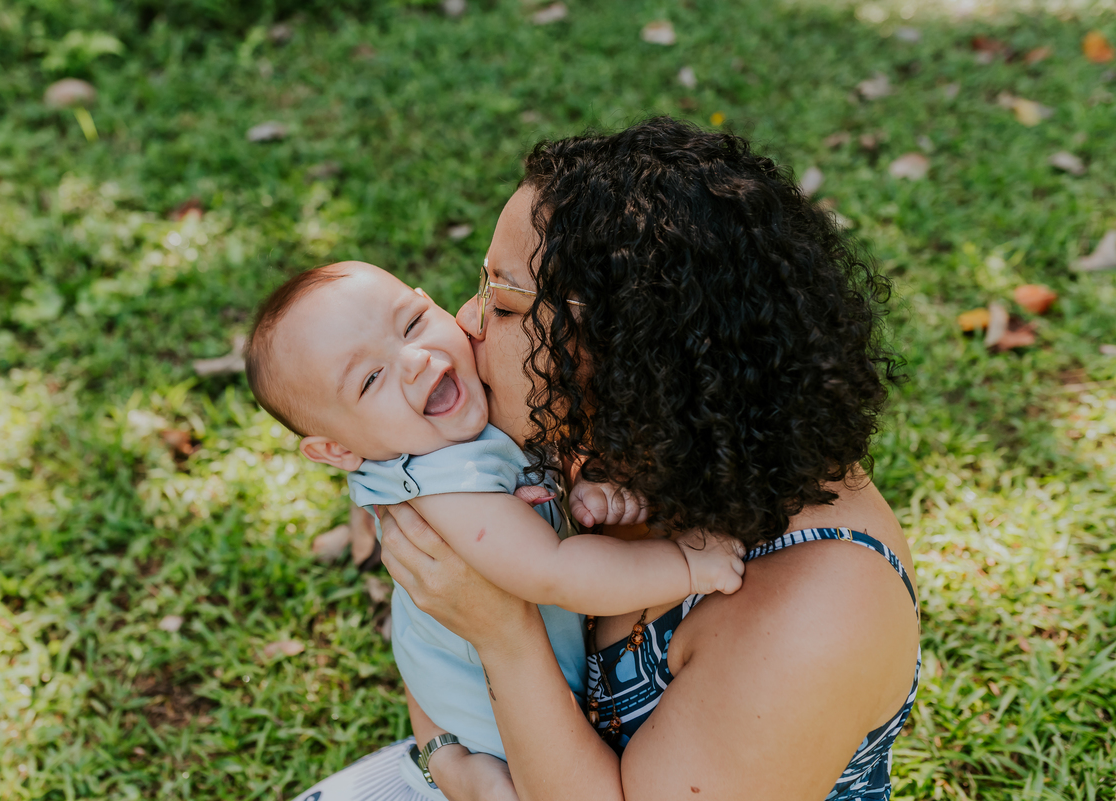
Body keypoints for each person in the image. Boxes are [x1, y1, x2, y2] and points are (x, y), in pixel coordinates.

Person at [378, 117, 921, 801]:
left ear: (624, 354)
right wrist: (444, 755)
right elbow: (428, 622)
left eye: (506, 303)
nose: (465, 319)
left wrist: (502, 634)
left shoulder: (814, 610)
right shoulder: (606, 449)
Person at [241, 260, 747, 800]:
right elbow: (554, 573)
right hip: (502, 751)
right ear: (337, 450)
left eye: (412, 323)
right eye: (369, 379)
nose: (415, 360)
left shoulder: (438, 432)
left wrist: (580, 490)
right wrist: (688, 566)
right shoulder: (444, 487)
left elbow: (530, 475)